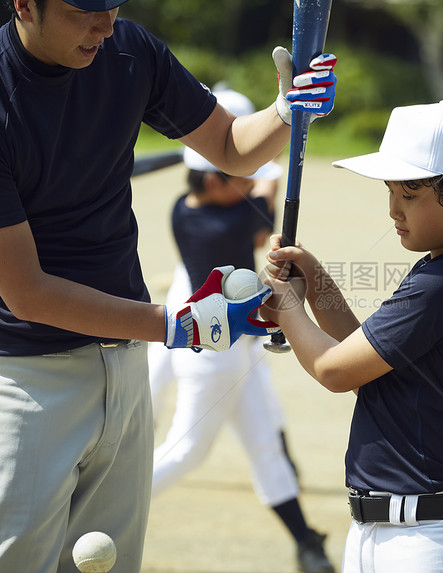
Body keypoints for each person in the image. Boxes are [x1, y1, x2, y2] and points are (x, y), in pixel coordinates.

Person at [0, 0, 337, 570]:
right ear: (24, 5)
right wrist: (176, 325)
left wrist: (286, 112)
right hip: (21, 383)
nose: (105, 24)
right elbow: (29, 293)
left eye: (113, 6)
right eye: (83, 10)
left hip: (123, 365)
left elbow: (231, 149)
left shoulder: (128, 51)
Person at [261, 100, 443, 573]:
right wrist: (313, 281)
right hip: (393, 533)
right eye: (392, 191)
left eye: (410, 194)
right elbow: (364, 364)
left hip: (438, 540)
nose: (394, 209)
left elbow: (334, 370)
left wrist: (288, 305)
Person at [146, 87, 335, 573]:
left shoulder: (186, 205)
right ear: (210, 183)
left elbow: (246, 200)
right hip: (212, 350)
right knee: (187, 450)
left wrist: (251, 173)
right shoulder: (213, 226)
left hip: (238, 347)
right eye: (236, 179)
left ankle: (305, 542)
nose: (247, 183)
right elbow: (259, 230)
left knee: (267, 449)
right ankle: (108, 504)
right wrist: (271, 182)